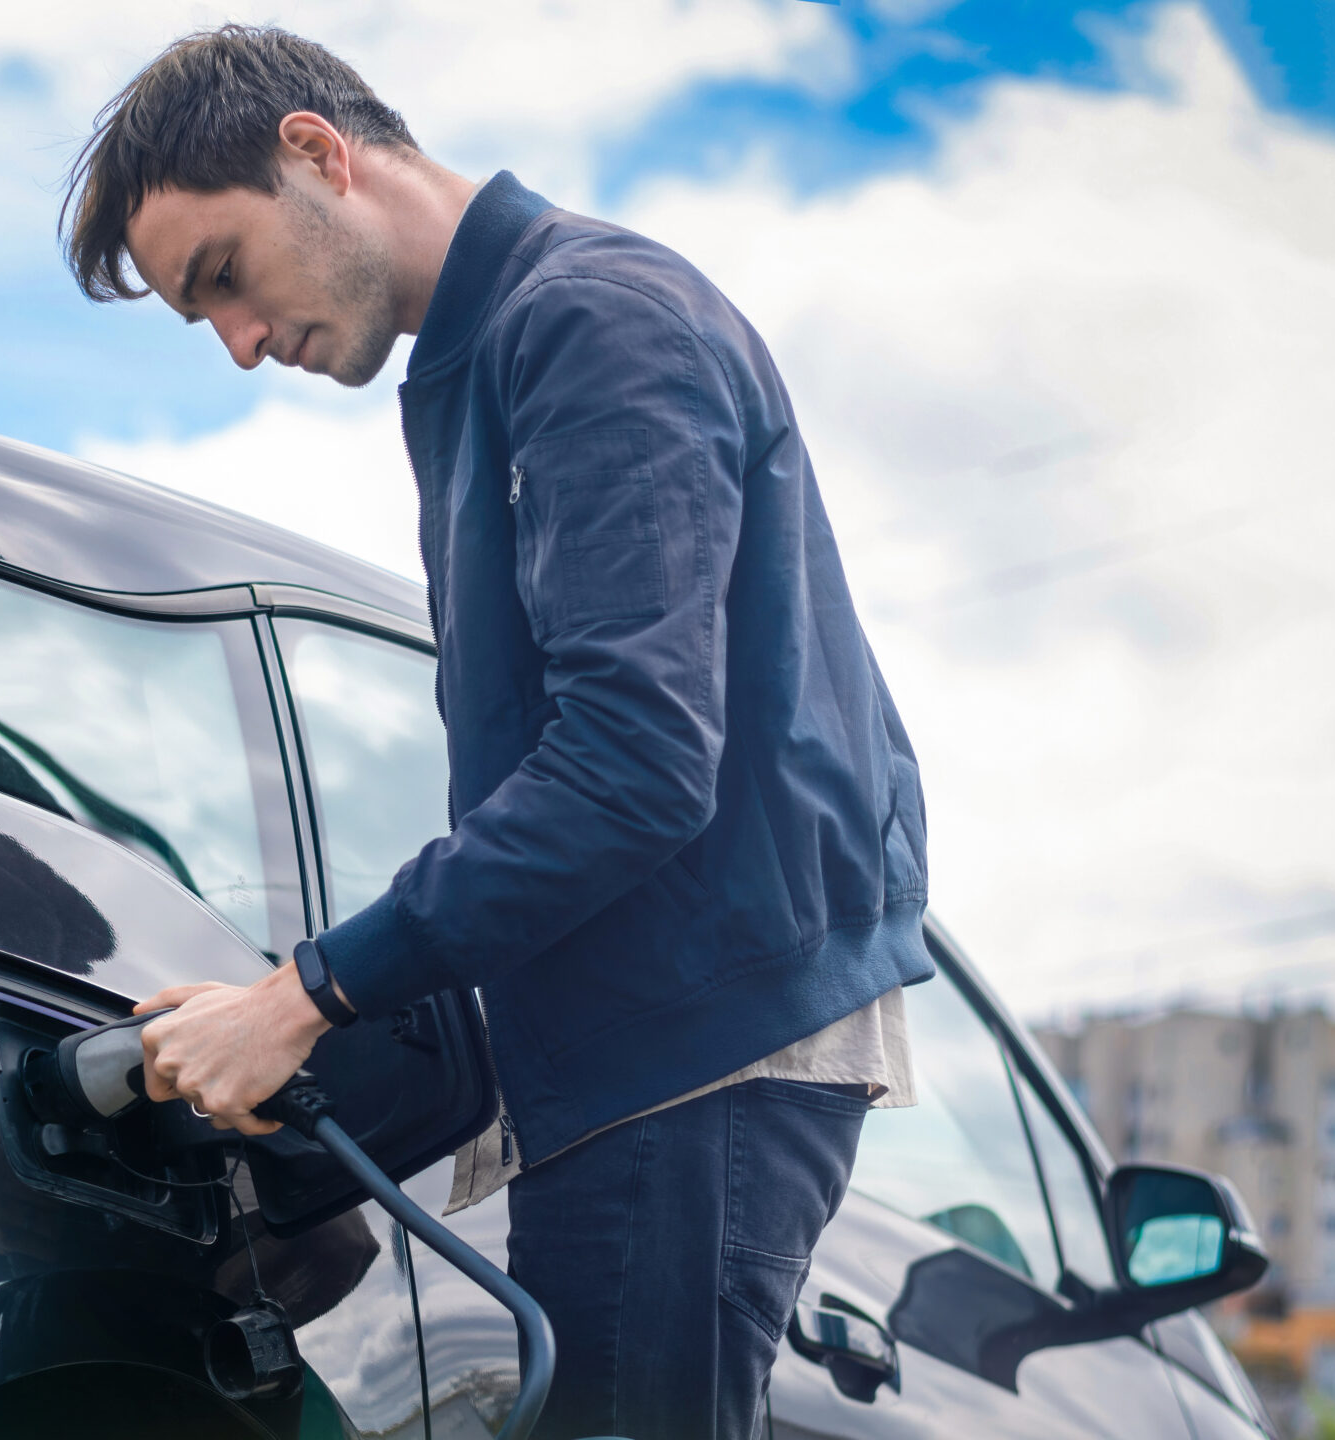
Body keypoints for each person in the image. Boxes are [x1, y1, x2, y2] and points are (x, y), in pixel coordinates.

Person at [61, 27, 934, 1439]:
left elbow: (634, 767)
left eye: (223, 275)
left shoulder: (596, 322)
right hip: (638, 1048)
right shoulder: (487, 363)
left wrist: (303, 998)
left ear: (316, 153)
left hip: (691, 1055)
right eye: (195, 318)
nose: (235, 345)